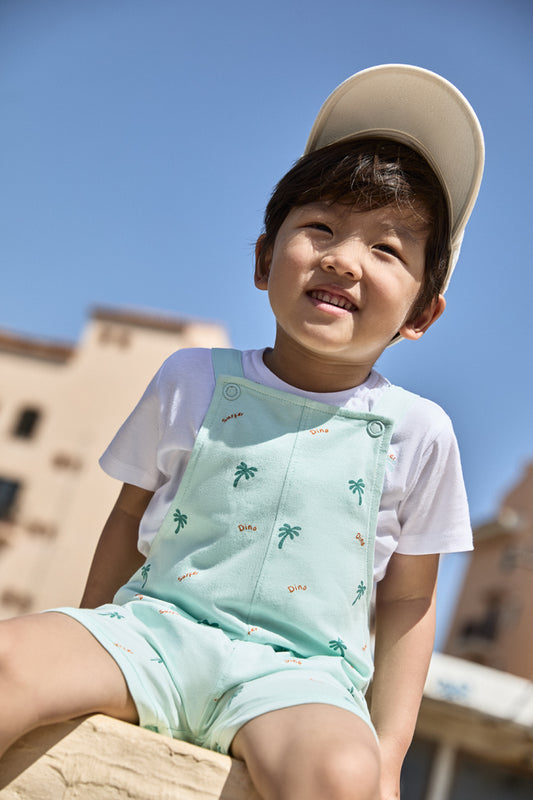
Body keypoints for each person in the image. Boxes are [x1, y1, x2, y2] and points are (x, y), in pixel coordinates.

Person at [0, 64, 484, 800]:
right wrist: (91, 636)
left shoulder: (420, 433)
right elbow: (128, 517)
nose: (342, 258)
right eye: (320, 227)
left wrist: (387, 756)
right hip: (152, 632)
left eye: (386, 249)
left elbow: (408, 602)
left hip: (300, 679)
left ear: (422, 312)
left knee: (343, 776)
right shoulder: (191, 377)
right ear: (263, 259)